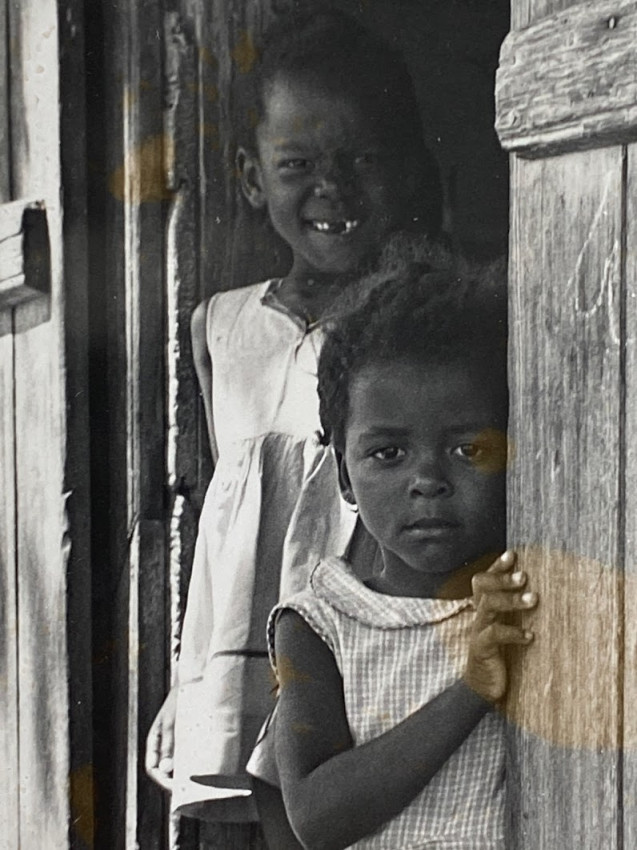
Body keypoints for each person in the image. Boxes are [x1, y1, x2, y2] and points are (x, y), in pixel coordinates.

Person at [145, 8, 443, 826]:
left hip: (361, 646)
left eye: (361, 159)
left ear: (406, 168)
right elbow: (227, 522)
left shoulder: (415, 322)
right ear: (252, 178)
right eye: (297, 164)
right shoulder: (219, 328)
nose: (330, 186)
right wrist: (188, 682)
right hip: (252, 657)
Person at [250, 266, 539, 848]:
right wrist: (472, 689)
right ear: (344, 477)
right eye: (388, 453)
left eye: (468, 449)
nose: (428, 480)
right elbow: (315, 817)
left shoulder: (525, 596)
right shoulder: (320, 624)